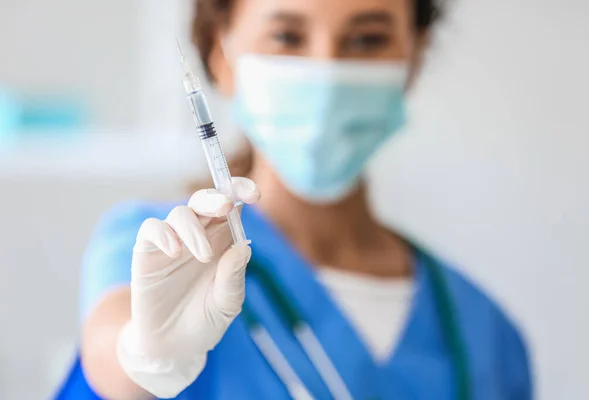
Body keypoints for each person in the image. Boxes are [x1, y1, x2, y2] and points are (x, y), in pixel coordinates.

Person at [56, 0, 532, 398]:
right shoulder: (167, 251)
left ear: (415, 54)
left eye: (367, 39)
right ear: (221, 54)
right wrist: (143, 355)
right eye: (287, 37)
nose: (325, 71)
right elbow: (111, 350)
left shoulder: (484, 333)